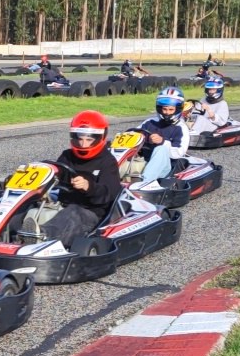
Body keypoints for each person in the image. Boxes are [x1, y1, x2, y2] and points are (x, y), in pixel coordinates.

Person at [29, 110, 122, 248]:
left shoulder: (107, 162)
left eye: (89, 140)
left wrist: (88, 186)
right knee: (30, 204)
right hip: (63, 206)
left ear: (100, 137)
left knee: (73, 212)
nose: (84, 144)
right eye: (80, 138)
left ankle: (41, 236)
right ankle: (6, 231)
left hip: (92, 214)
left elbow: (110, 194)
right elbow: (56, 174)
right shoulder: (67, 156)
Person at [136, 87, 190, 186]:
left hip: (166, 167)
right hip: (144, 161)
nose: (167, 113)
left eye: (170, 109)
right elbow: (134, 134)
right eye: (164, 109)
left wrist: (162, 142)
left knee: (161, 149)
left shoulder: (181, 128)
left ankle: (143, 183)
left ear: (177, 109)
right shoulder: (150, 122)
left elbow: (178, 153)